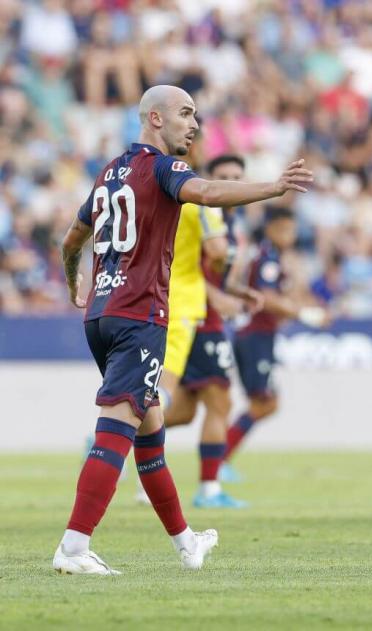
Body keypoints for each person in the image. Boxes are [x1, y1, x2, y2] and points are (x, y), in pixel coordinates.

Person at [55, 84, 313, 575]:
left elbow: (71, 239)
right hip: (139, 315)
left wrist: (76, 282)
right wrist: (274, 187)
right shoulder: (164, 168)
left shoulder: (111, 173)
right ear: (154, 118)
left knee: (149, 432)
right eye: (185, 114)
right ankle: (73, 546)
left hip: (101, 314)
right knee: (118, 427)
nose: (194, 124)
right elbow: (209, 192)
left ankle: (186, 542)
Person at [164, 154, 262, 508]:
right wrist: (218, 297)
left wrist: (237, 292)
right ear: (213, 180)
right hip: (198, 318)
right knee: (220, 401)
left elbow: (216, 272)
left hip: (204, 316)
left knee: (186, 409)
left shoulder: (229, 223)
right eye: (225, 177)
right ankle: (209, 489)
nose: (232, 182)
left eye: (238, 176)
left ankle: (118, 433)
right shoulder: (204, 211)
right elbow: (189, 268)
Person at [133, 149, 229, 505]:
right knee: (163, 392)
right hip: (184, 303)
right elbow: (218, 252)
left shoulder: (149, 191)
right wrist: (224, 277)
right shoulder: (203, 201)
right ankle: (117, 433)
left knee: (181, 407)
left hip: (147, 296)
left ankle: (133, 455)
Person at [218, 206, 331, 473]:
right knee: (264, 403)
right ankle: (219, 460)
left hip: (261, 336)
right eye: (284, 229)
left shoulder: (275, 257)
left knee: (267, 403)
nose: (289, 235)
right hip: (254, 336)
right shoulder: (267, 258)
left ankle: (220, 459)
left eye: (291, 229)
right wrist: (305, 313)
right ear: (270, 229)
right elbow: (267, 299)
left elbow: (285, 295)